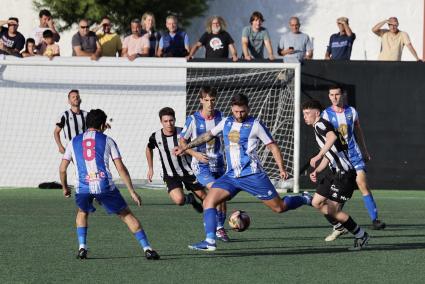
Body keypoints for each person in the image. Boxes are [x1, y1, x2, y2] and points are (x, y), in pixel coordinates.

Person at [174, 94, 311, 251]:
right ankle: (210, 240)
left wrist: (281, 168)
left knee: (278, 208)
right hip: (231, 176)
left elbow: (272, 146)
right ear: (232, 108)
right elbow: (207, 135)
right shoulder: (226, 122)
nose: (240, 115)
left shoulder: (256, 125)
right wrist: (186, 147)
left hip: (253, 175)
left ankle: (304, 199)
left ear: (248, 109)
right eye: (237, 111)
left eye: (243, 111)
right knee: (208, 202)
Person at [59, 109, 160, 260]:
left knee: (82, 212)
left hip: (83, 187)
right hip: (103, 185)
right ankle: (147, 249)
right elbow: (120, 168)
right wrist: (132, 191)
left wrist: (65, 187)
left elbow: (62, 169)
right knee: (126, 214)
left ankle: (82, 247)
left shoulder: (73, 141)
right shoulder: (108, 140)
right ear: (101, 125)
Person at [319, 85, 385, 241]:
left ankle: (375, 220)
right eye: (331, 95)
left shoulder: (352, 112)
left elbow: (358, 132)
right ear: (329, 96)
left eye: (337, 94)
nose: (334, 97)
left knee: (362, 184)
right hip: (339, 159)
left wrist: (365, 151)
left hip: (354, 155)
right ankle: (339, 227)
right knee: (335, 203)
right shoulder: (326, 115)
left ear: (343, 95)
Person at [302, 99, 370, 251]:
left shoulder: (320, 124)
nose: (305, 117)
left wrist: (318, 155)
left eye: (307, 113)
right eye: (303, 114)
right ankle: (340, 227)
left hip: (345, 174)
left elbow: (332, 139)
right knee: (316, 202)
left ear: (317, 113)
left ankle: (361, 235)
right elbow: (330, 154)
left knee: (334, 210)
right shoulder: (320, 126)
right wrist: (318, 170)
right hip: (334, 173)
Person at [179, 87, 230, 242]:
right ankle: (217, 227)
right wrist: (195, 154)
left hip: (219, 164)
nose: (210, 103)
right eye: (206, 100)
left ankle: (220, 226)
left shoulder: (221, 117)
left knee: (222, 197)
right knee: (217, 189)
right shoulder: (193, 120)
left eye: (212, 100)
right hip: (201, 166)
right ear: (201, 100)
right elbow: (182, 141)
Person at [146, 107, 206, 214]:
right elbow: (149, 148)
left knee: (204, 197)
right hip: (170, 174)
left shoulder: (183, 133)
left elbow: (195, 147)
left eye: (171, 120)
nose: (169, 123)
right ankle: (190, 199)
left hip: (189, 171)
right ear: (161, 122)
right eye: (165, 121)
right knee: (179, 200)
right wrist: (150, 168)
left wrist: (186, 150)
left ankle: (215, 222)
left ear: (175, 119)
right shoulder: (156, 136)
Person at [54, 90, 88, 154]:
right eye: (73, 97)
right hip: (71, 149)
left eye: (77, 96)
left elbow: (93, 131)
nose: (76, 98)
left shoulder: (87, 115)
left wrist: (102, 127)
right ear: (69, 101)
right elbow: (56, 132)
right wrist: (60, 146)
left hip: (86, 149)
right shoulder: (65, 115)